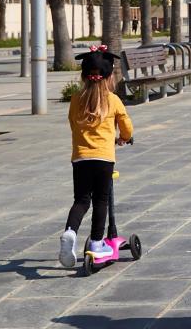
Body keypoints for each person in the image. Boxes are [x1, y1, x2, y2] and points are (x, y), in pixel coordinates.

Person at [58, 47, 133, 269]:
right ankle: (97, 242)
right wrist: (124, 138)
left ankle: (70, 231)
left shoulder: (76, 99)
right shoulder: (113, 100)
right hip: (103, 158)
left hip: (80, 157)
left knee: (81, 200)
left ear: (83, 76)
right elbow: (126, 125)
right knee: (101, 200)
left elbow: (72, 123)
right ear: (109, 77)